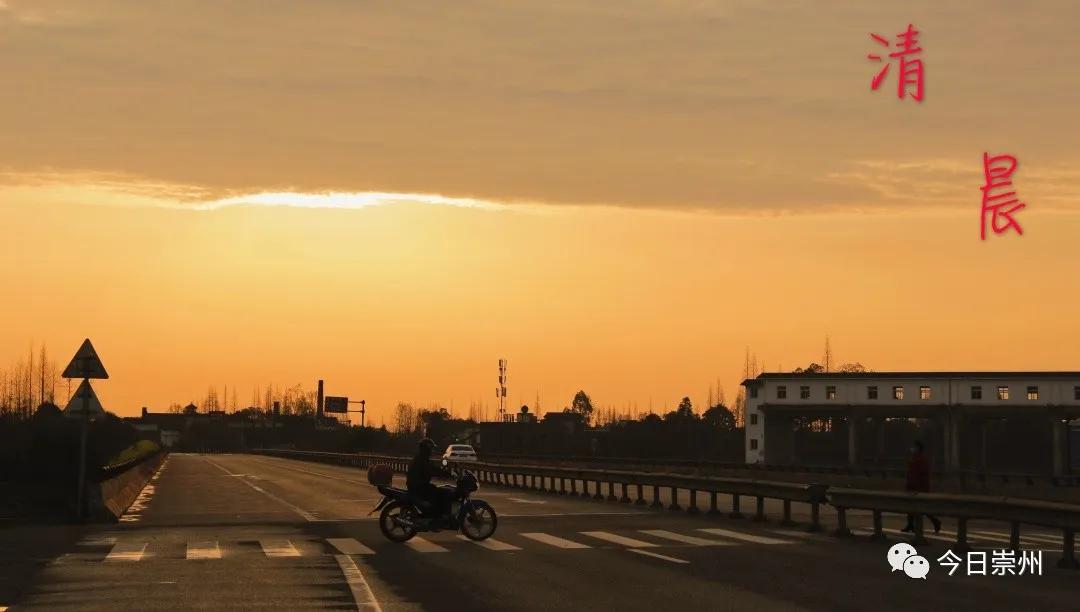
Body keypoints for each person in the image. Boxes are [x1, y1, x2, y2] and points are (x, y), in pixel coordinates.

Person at [901, 440, 941, 533]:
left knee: (922, 508)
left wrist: (918, 487)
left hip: (919, 488)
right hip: (912, 486)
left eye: (914, 447)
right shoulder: (914, 458)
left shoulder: (921, 459)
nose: (912, 449)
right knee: (910, 507)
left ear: (919, 449)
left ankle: (935, 522)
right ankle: (910, 525)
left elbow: (920, 475)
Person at [406, 438, 447, 522]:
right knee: (438, 492)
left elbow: (432, 468)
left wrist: (442, 472)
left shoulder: (420, 458)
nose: (432, 451)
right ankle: (433, 516)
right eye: (431, 449)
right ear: (427, 449)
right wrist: (445, 473)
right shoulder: (422, 459)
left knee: (435, 489)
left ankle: (431, 514)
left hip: (416, 484)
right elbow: (431, 470)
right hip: (418, 486)